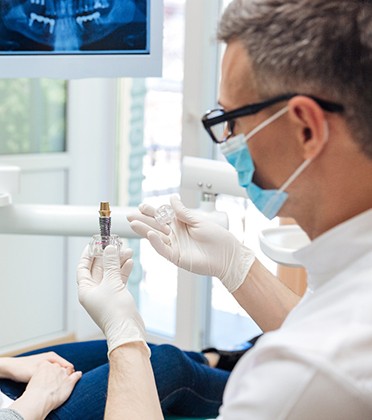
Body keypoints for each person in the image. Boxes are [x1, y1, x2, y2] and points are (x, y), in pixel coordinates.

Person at [77, 0, 372, 418]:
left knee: (168, 364)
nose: (228, 139)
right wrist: (235, 264)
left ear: (305, 126)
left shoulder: (304, 376)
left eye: (231, 119)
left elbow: (320, 354)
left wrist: (124, 338)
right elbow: (320, 321)